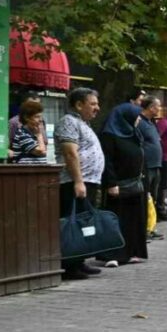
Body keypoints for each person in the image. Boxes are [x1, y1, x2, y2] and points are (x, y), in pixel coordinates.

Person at [55, 87, 106, 280]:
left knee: (84, 222)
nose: (97, 108)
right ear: (78, 105)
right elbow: (70, 153)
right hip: (74, 182)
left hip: (89, 181)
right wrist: (78, 181)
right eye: (92, 104)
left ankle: (80, 261)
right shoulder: (68, 122)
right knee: (72, 223)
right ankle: (69, 265)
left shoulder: (83, 123)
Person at [97, 103, 148, 266]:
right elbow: (108, 161)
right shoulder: (109, 135)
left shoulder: (133, 133)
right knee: (117, 219)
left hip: (135, 184)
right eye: (137, 116)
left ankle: (132, 251)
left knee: (134, 219)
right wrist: (111, 183)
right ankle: (113, 254)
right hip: (118, 184)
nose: (139, 119)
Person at [138, 96, 164, 237]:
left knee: (153, 196)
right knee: (145, 196)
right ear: (151, 107)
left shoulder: (151, 123)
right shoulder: (140, 122)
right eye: (158, 106)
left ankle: (151, 226)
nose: (160, 109)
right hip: (146, 166)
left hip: (156, 165)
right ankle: (144, 229)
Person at [10, 99, 48, 164]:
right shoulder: (22, 134)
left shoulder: (34, 134)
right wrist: (39, 135)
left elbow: (44, 151)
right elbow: (41, 151)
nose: (40, 120)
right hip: (26, 172)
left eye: (41, 116)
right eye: (37, 117)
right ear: (26, 118)